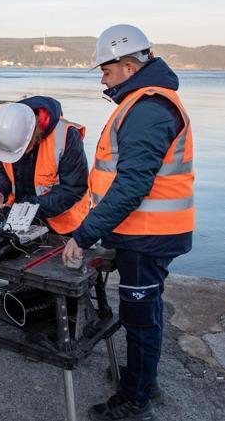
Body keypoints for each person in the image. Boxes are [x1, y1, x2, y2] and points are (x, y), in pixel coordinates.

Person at [63, 24, 194, 421]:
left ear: (128, 67)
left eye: (106, 70)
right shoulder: (144, 103)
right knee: (147, 309)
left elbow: (132, 185)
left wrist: (84, 234)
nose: (103, 79)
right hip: (147, 231)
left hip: (148, 234)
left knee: (139, 317)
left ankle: (134, 398)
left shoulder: (148, 108)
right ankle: (143, 377)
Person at [0, 96, 89, 235]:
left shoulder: (66, 136)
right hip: (17, 218)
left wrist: (30, 206)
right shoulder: (6, 134)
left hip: (62, 225)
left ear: (32, 135)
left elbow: (73, 188)